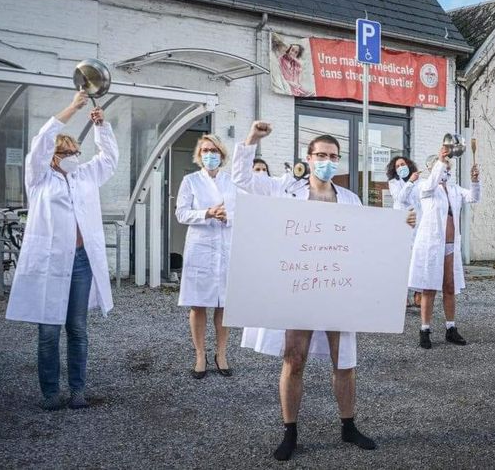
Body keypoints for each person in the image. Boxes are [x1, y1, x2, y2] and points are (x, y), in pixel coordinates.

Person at [231, 120, 414, 461]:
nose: (326, 161)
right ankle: (290, 431)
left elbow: (368, 238)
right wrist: (252, 138)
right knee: (293, 358)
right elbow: (241, 180)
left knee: (343, 360)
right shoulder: (286, 191)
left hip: (338, 290)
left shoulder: (349, 199)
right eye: (320, 155)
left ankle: (348, 425)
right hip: (297, 287)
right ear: (308, 157)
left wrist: (401, 224)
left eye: (333, 156)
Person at [5, 91, 119, 411]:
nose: (73, 155)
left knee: (77, 328)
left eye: (76, 151)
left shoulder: (84, 176)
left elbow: (109, 159)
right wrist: (73, 107)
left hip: (81, 262)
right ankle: (50, 392)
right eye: (67, 151)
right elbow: (42, 140)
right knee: (48, 330)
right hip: (50, 263)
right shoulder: (39, 178)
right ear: (54, 155)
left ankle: (78, 390)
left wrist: (101, 127)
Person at [175, 134, 238, 379]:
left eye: (214, 151)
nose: (209, 155)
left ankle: (221, 353)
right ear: (199, 155)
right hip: (201, 247)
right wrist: (206, 213)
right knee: (198, 302)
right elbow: (181, 213)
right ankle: (200, 354)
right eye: (205, 151)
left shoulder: (232, 181)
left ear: (221, 155)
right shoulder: (190, 181)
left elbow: (243, 211)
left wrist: (228, 217)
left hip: (226, 245)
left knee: (224, 304)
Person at [407, 147, 480, 349]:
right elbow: (431, 183)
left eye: (448, 168)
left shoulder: (454, 190)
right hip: (432, 244)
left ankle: (451, 328)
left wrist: (474, 180)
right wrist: (440, 160)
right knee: (429, 287)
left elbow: (473, 198)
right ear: (434, 168)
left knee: (449, 286)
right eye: (443, 167)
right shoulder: (425, 187)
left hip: (450, 245)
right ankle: (424, 329)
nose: (447, 170)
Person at [387, 156, 422, 307]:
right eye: (398, 166)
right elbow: (400, 198)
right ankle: (403, 295)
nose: (401, 167)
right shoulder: (394, 183)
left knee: (418, 260)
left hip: (418, 224)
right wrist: (410, 182)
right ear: (394, 170)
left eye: (403, 164)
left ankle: (418, 292)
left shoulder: (419, 181)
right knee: (403, 262)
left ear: (408, 164)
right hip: (402, 224)